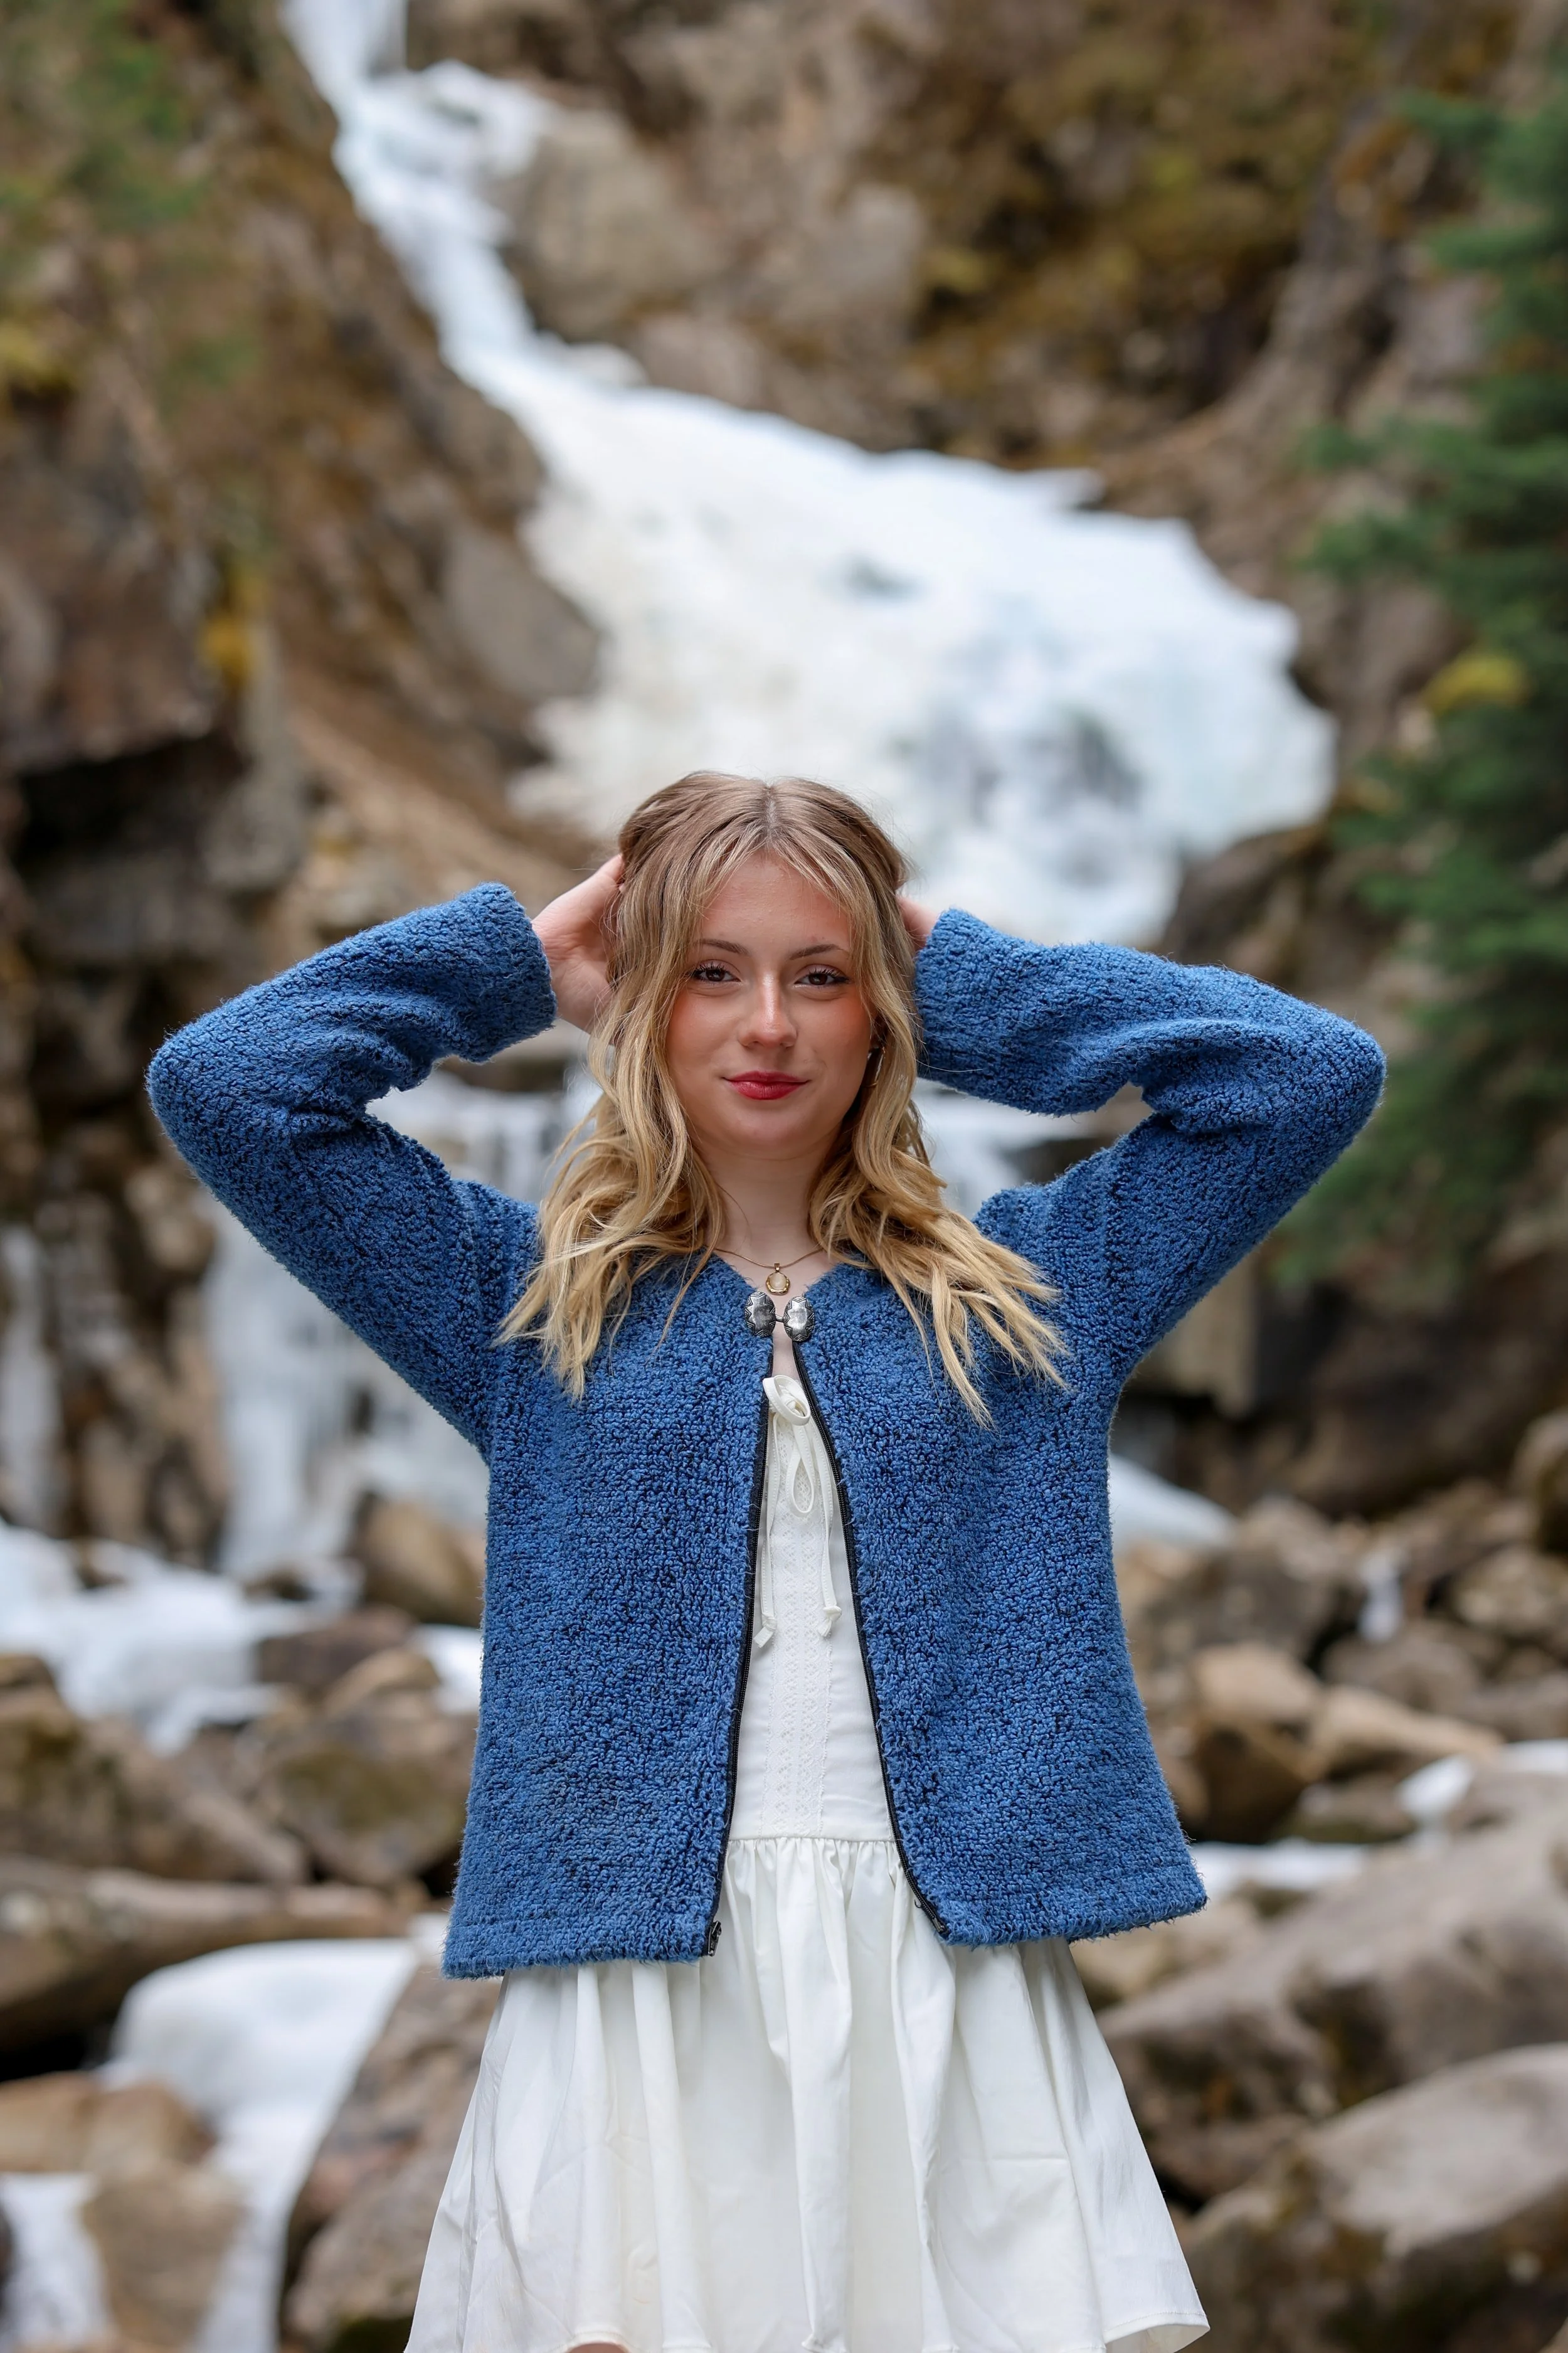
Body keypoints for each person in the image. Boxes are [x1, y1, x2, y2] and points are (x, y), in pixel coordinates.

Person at [149, 770, 1384, 2353]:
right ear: (644, 996)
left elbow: (1303, 1076)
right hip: (636, 1985)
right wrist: (517, 966)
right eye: (710, 972)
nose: (767, 1027)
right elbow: (230, 1085)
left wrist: (976, 988)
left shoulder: (1029, 1297)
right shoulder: (524, 1307)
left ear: (882, 1008)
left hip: (944, 1974)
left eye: (822, 976)